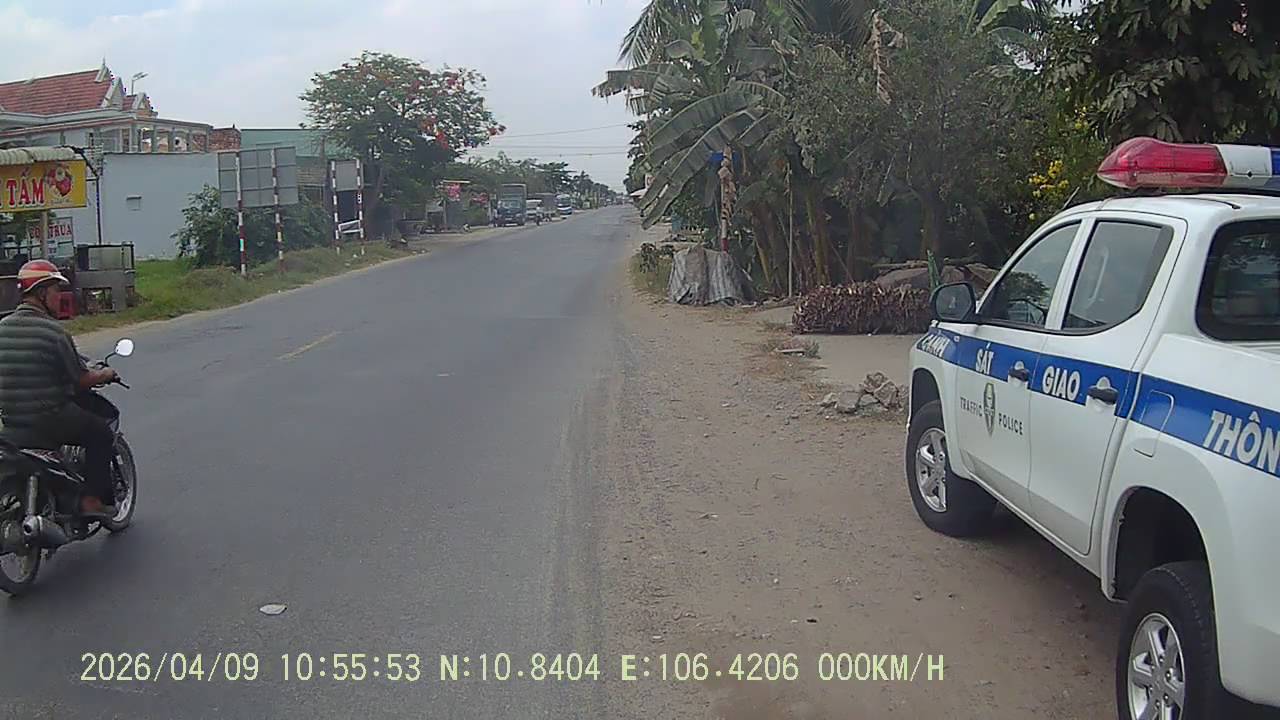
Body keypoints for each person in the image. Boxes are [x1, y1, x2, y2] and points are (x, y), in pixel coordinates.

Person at [0, 260, 118, 518]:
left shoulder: (2, 328)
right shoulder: (54, 332)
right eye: (56, 290)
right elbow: (80, 379)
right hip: (50, 418)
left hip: (11, 422)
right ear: (42, 293)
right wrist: (106, 374)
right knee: (100, 433)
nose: (59, 297)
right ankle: (92, 501)